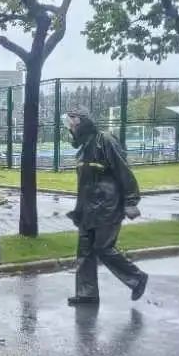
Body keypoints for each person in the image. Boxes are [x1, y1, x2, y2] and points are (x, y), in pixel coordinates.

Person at [64, 108, 149, 305]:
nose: (71, 125)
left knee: (103, 248)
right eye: (70, 121)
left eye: (74, 120)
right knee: (84, 251)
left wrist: (130, 201)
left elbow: (124, 171)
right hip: (88, 209)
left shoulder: (105, 141)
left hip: (106, 208)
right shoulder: (85, 146)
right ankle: (87, 293)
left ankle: (136, 278)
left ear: (84, 120)